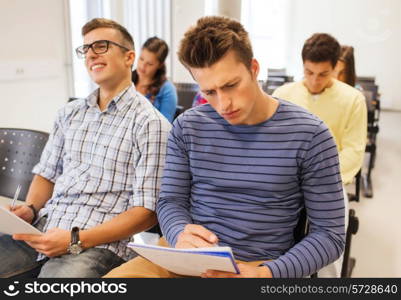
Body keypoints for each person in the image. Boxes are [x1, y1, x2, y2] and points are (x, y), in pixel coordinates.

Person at [105, 16, 345, 278]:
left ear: (254, 69)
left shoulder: (311, 135)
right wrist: (179, 233)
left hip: (259, 265)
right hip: (184, 256)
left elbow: (329, 235)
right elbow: (171, 200)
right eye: (209, 92)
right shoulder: (187, 127)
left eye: (231, 85)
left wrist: (267, 274)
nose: (223, 104)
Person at [0, 18, 171, 278]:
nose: (91, 54)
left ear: (129, 58)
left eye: (101, 46)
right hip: (45, 226)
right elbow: (47, 173)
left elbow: (146, 213)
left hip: (99, 243)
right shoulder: (69, 113)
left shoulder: (151, 123)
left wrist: (76, 238)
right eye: (86, 49)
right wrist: (31, 208)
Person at [273, 33, 367, 277]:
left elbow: (354, 151)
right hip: (284, 182)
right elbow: (272, 143)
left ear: (336, 67)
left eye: (323, 74)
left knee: (327, 248)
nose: (314, 81)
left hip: (328, 185)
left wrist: (318, 181)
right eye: (308, 72)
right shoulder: (283, 94)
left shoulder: (353, 99)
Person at [132, 37, 177, 122]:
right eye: (141, 59)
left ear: (160, 65)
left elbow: (165, 127)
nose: (142, 66)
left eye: (149, 64)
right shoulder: (126, 80)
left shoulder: (167, 90)